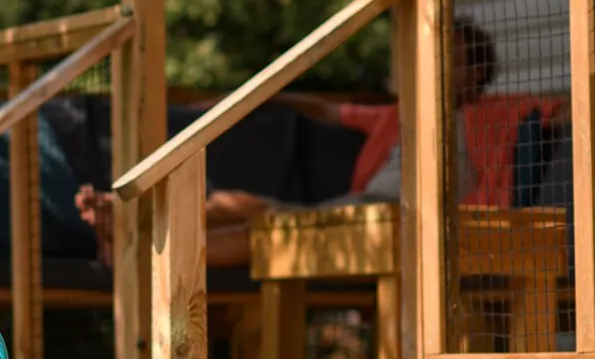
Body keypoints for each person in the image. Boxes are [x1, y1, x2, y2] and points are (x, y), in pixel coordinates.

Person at [75, 17, 548, 267]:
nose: (432, 62)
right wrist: (251, 96)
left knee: (259, 227)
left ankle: (140, 253)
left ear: (477, 74)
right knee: (238, 203)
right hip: (363, 209)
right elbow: (325, 110)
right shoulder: (399, 114)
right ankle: (128, 223)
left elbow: (565, 107)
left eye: (450, 56)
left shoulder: (497, 113)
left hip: (414, 224)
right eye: (431, 52)